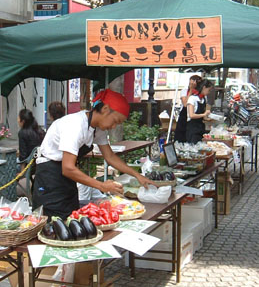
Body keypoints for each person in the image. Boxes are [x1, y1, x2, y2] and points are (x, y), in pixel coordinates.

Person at [32, 89, 153, 219]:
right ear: (105, 109)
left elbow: (110, 156)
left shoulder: (97, 129)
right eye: (115, 121)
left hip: (67, 178)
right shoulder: (75, 125)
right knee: (53, 221)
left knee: (72, 217)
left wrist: (137, 175)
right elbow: (67, 168)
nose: (113, 126)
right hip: (49, 177)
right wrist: (102, 186)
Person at [174, 75, 201, 143]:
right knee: (181, 137)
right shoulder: (184, 91)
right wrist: (191, 90)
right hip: (184, 117)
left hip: (194, 120)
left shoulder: (200, 94)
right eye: (190, 83)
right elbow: (185, 104)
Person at [186, 79, 213, 144]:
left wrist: (208, 118)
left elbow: (203, 115)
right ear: (204, 87)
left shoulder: (204, 99)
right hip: (193, 129)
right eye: (209, 90)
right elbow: (191, 115)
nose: (209, 92)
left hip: (201, 128)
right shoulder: (192, 98)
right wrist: (204, 114)